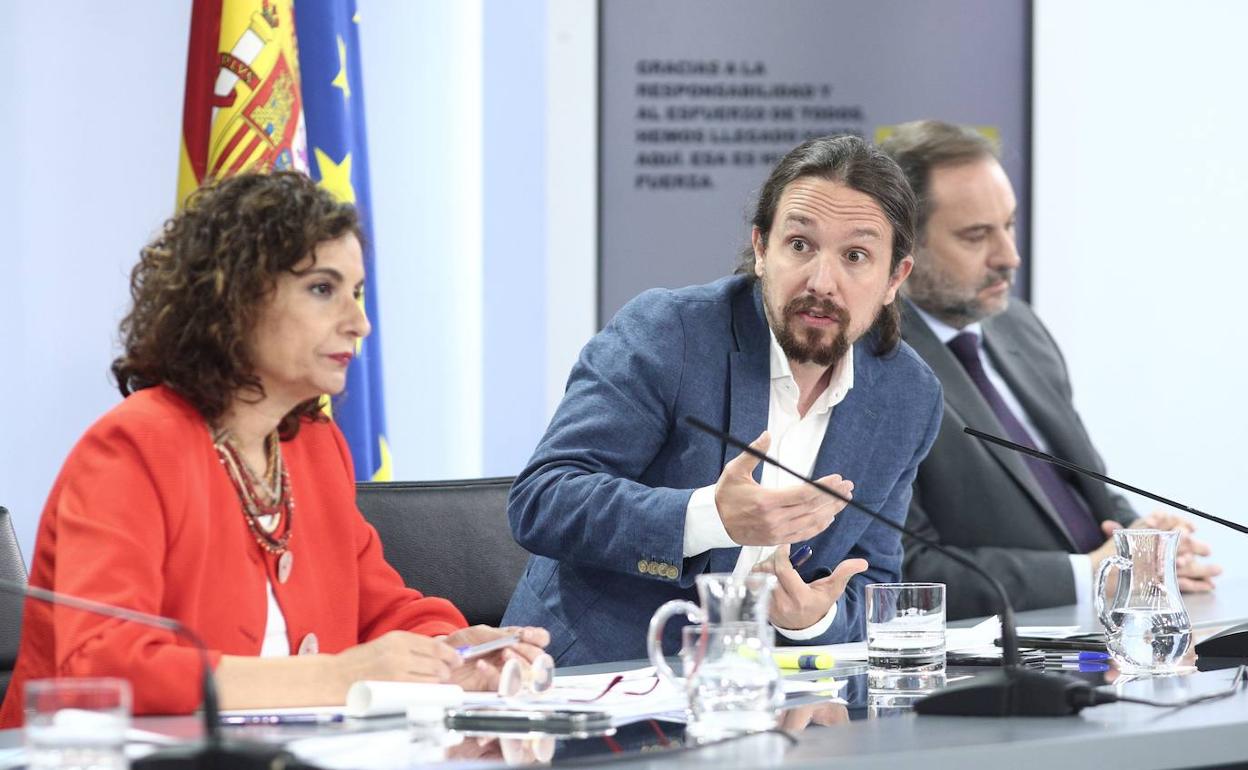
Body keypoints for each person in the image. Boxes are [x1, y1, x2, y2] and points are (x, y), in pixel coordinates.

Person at [0, 172, 547, 725]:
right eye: (322, 289)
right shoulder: (133, 449)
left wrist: (453, 651)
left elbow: (379, 608)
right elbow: (105, 663)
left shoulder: (314, 447)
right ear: (235, 296)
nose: (359, 322)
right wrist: (338, 677)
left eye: (356, 293)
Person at [502, 135, 943, 664]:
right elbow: (543, 499)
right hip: (597, 680)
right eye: (799, 245)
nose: (822, 281)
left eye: (855, 256)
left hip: (766, 700)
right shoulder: (673, 334)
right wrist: (708, 516)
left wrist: (814, 618)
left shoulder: (905, 396)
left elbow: (872, 582)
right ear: (761, 250)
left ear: (895, 277)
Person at [880, 120, 1220, 619]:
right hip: (997, 661)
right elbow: (904, 568)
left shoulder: (1017, 326)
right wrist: (1095, 576)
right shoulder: (875, 365)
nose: (1009, 257)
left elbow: (1084, 490)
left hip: (1114, 631)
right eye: (976, 236)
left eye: (1009, 225)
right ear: (902, 247)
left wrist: (1150, 550)